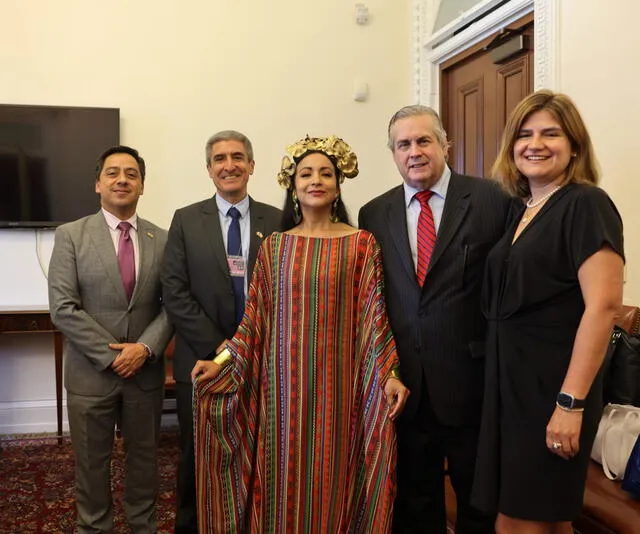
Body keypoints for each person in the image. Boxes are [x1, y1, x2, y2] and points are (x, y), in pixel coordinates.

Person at [191, 135, 410, 533]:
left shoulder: (361, 244)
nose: (316, 180)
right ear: (293, 185)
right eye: (306, 173)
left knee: (332, 476)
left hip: (340, 393)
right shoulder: (275, 247)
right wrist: (219, 361)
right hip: (282, 397)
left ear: (338, 184)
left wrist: (390, 374)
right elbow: (252, 324)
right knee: (281, 480)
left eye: (326, 173)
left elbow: (373, 319)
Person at [471, 90, 624, 534]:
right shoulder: (523, 210)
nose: (535, 144)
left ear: (574, 145)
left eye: (550, 134)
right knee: (546, 519)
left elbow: (604, 306)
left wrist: (569, 403)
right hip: (510, 386)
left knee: (517, 522)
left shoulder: (585, 203)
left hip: (552, 389)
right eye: (524, 135)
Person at [359, 105, 512, 534]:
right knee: (415, 501)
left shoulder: (493, 200)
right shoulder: (374, 215)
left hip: (473, 382)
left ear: (446, 144)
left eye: (423, 141)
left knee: (478, 501)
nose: (414, 152)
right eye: (403, 144)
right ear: (392, 153)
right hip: (405, 385)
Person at [161, 130, 282, 533]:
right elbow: (174, 292)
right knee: (198, 457)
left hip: (263, 359)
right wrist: (223, 347)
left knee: (260, 451)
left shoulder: (278, 220)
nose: (228, 165)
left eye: (236, 157)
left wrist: (249, 346)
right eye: (219, 159)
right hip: (202, 357)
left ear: (251, 165)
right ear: (209, 169)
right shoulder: (185, 219)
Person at [48, 145, 174, 533]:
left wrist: (144, 349)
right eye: (114, 173)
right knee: (90, 464)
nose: (123, 179)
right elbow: (63, 307)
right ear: (98, 183)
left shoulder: (164, 238)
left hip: (145, 374)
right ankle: (94, 527)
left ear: (142, 186)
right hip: (91, 375)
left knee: (144, 463)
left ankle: (142, 525)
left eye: (132, 174)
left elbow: (173, 305)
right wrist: (115, 356)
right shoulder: (70, 235)